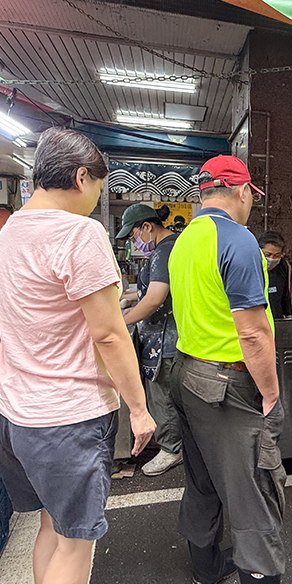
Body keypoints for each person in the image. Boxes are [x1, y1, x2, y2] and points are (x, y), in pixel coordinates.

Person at [0, 128, 156, 584]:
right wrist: (139, 408)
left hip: (14, 411)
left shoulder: (13, 229)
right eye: (99, 190)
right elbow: (108, 333)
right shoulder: (79, 233)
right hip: (66, 417)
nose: (95, 201)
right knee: (76, 543)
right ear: (81, 177)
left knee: (51, 524)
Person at [168, 155, 288, 584]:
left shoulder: (185, 239)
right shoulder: (238, 240)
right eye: (251, 198)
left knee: (201, 481)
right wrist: (271, 393)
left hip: (186, 374)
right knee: (252, 489)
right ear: (241, 192)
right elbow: (252, 331)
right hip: (225, 385)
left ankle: (204, 572)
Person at [118, 203, 183, 477]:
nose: (136, 242)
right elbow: (149, 291)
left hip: (165, 338)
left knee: (162, 396)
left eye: (134, 236)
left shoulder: (165, 250)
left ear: (147, 227)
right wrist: (125, 296)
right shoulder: (170, 247)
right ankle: (173, 445)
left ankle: (171, 449)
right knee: (166, 396)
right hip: (167, 336)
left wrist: (119, 321)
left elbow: (156, 298)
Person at [258, 231, 292, 320]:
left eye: (277, 255)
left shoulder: (282, 266)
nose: (272, 259)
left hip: (277, 317)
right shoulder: (251, 267)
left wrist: (288, 315)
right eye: (268, 254)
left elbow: (285, 294)